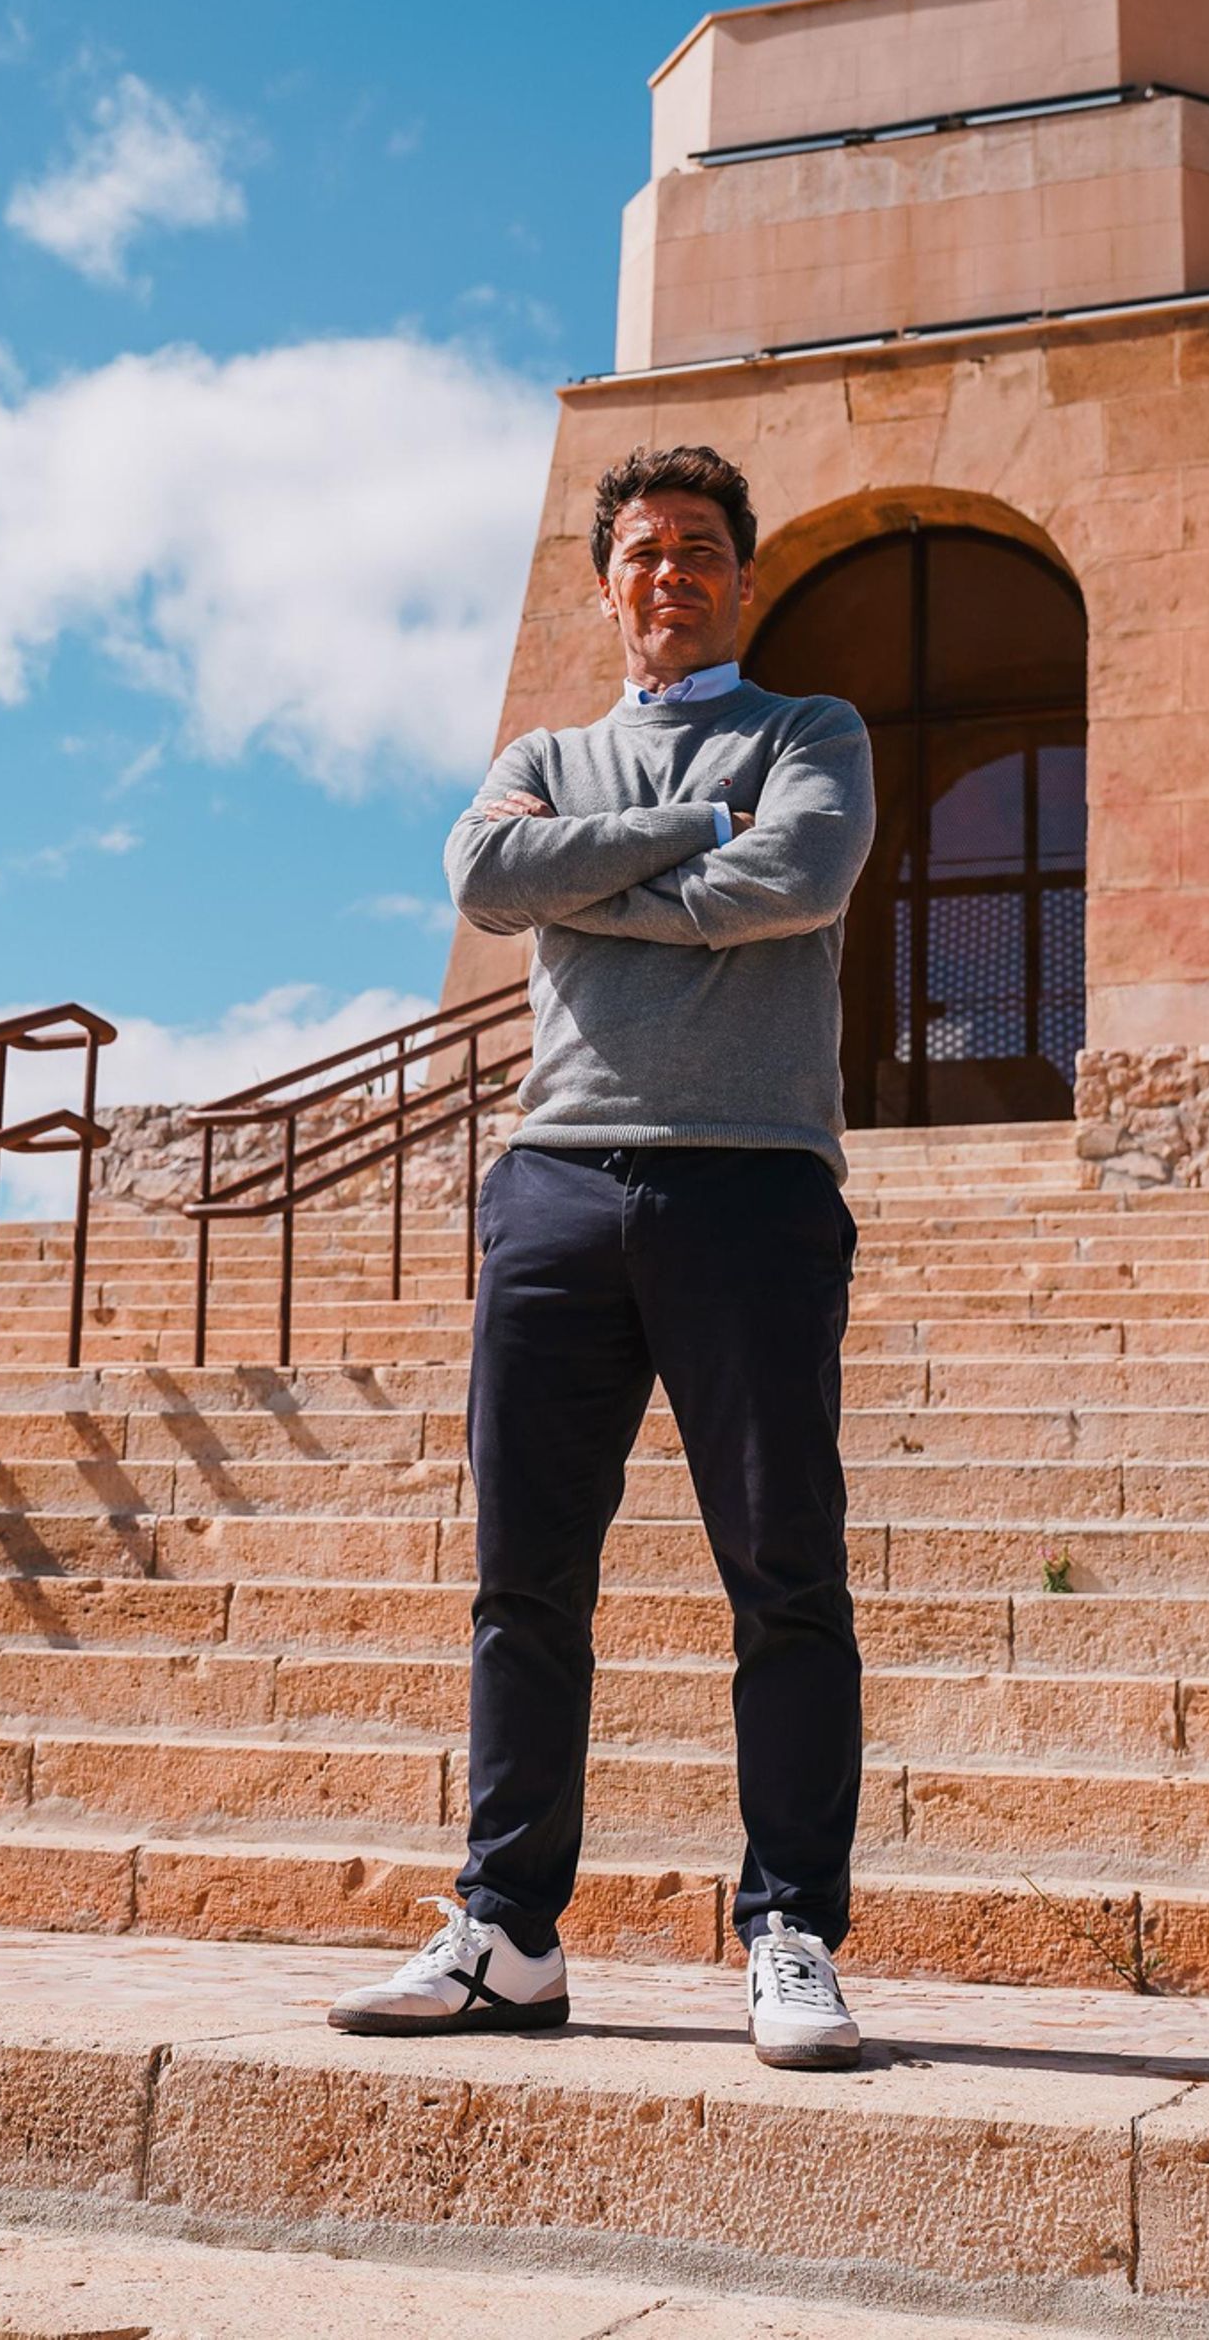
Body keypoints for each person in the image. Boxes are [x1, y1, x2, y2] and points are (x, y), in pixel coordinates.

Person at [328, 443, 876, 2069]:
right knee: (525, 1577)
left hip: (755, 1183)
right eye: (642, 549)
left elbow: (800, 871)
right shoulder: (544, 749)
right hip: (557, 1182)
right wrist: (683, 833)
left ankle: (789, 1927)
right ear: (604, 581)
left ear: (743, 578)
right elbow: (487, 876)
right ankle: (506, 1926)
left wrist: (603, 869)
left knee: (785, 1573)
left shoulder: (809, 733)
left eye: (701, 548)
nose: (670, 571)